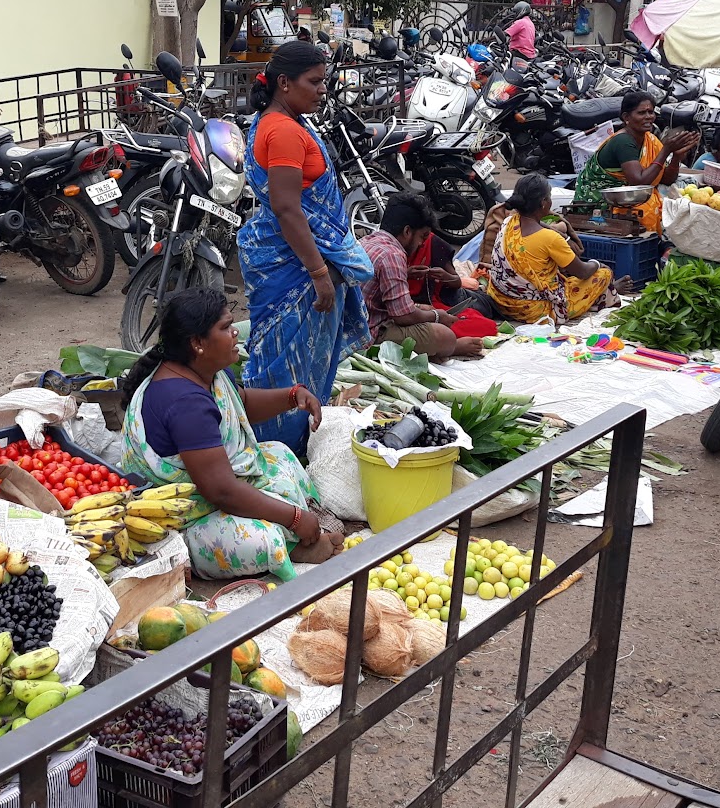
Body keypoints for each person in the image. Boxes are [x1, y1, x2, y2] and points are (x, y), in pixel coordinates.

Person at [120, 288, 343, 579]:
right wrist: (295, 518)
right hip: (185, 516)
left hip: (213, 482)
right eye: (225, 327)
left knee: (280, 453)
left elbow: (241, 403)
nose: (236, 332)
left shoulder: (204, 370)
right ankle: (292, 546)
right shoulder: (185, 402)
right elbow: (221, 491)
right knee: (262, 539)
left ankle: (300, 532)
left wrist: (293, 395)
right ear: (198, 343)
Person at [238, 40, 373, 458]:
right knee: (287, 364)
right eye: (314, 82)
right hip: (292, 264)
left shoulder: (280, 122)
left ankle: (284, 448)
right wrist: (318, 274)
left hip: (287, 256)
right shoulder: (281, 130)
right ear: (284, 83)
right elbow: (286, 206)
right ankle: (279, 451)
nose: (322, 90)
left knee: (289, 360)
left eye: (324, 82)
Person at [360, 194, 489, 360]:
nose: (422, 244)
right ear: (407, 231)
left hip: (365, 321)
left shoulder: (367, 240)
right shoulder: (393, 255)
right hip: (370, 333)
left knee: (427, 310)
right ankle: (452, 347)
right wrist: (437, 316)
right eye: (423, 236)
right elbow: (403, 316)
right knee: (445, 335)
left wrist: (423, 307)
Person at [487, 174, 625, 325]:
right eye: (549, 197)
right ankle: (606, 292)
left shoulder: (508, 222)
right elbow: (583, 272)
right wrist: (597, 264)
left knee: (561, 276)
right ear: (544, 203)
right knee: (603, 274)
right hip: (537, 312)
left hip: (503, 302)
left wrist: (558, 232)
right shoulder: (550, 239)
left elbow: (538, 226)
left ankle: (604, 292)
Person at [571, 90, 696, 233]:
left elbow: (666, 180)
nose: (648, 117)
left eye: (651, 112)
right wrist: (666, 150)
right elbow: (639, 182)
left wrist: (676, 158)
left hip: (626, 200)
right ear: (626, 117)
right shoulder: (622, 141)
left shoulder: (650, 140)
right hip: (600, 204)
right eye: (641, 113)